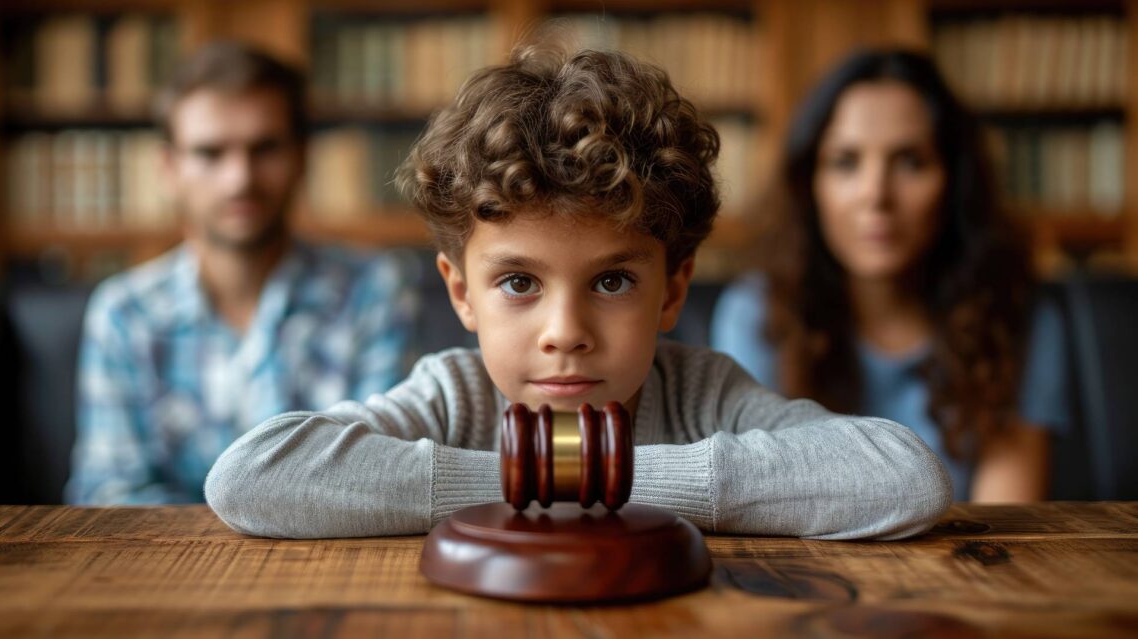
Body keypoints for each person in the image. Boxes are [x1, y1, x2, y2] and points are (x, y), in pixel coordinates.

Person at [205, 44, 951, 539]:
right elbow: (251, 476)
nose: (566, 330)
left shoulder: (701, 394)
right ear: (461, 293)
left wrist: (587, 475)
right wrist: (535, 471)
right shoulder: (453, 396)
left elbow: (904, 477)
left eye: (613, 280)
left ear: (673, 288)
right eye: (520, 282)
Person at [66, 42, 419, 504]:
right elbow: (110, 493)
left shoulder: (376, 290)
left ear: (302, 157)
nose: (240, 179)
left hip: (332, 572)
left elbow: (382, 476)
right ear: (168, 168)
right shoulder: (124, 313)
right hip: (163, 575)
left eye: (265, 148)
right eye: (211, 153)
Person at [711, 49, 1068, 503]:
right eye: (845, 162)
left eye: (910, 162)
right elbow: (764, 504)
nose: (875, 194)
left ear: (954, 182)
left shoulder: (1019, 314)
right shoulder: (756, 313)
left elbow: (1004, 525)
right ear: (809, 184)